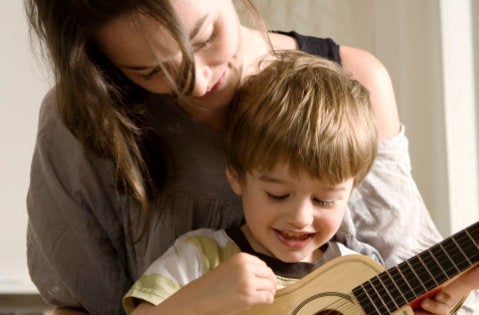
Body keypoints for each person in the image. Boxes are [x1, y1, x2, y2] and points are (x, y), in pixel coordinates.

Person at [24, 0, 479, 314]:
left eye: (207, 37)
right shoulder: (84, 119)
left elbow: (400, 289)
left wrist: (470, 277)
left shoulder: (351, 85)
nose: (200, 81)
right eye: (151, 71)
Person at [123, 50, 380, 314]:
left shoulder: (360, 276)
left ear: (351, 191)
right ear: (236, 176)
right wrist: (202, 298)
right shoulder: (201, 258)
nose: (300, 218)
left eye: (324, 200)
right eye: (277, 194)